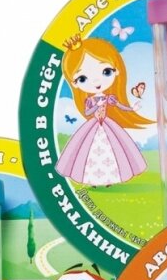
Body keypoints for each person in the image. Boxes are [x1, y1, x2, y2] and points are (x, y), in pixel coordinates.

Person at [56, 36, 151, 186]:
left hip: (107, 125)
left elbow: (120, 106)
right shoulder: (90, 100)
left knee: (114, 151)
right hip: (94, 126)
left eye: (106, 71)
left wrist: (132, 108)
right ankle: (92, 179)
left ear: (116, 70)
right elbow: (88, 113)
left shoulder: (109, 98)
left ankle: (110, 178)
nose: (96, 81)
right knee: (88, 153)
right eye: (82, 78)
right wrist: (96, 106)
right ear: (74, 83)